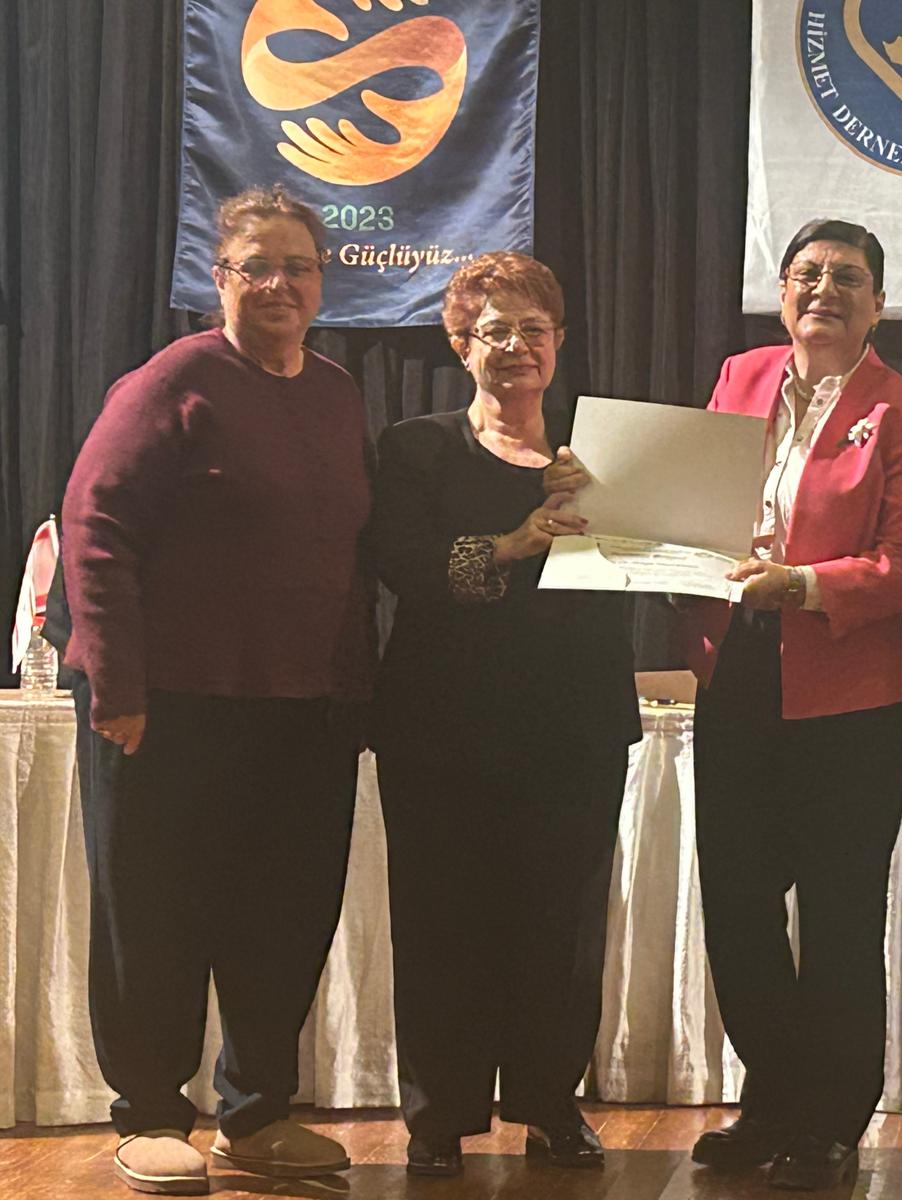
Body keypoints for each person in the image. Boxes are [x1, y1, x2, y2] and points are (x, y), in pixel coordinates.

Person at [60, 184, 372, 1195]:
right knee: (157, 913)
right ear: (220, 278)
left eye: (298, 267)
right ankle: (151, 1112)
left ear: (322, 283)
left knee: (281, 920)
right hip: (167, 707)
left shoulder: (336, 392)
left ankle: (256, 1113)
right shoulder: (173, 381)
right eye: (257, 266)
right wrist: (117, 684)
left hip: (302, 712)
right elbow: (95, 531)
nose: (280, 284)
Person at [679, 219, 902, 1190]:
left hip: (852, 692)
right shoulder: (739, 377)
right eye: (806, 274)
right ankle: (773, 1099)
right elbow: (693, 506)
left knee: (837, 914)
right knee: (737, 905)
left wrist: (798, 585)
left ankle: (830, 1118)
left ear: (878, 303)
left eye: (846, 277)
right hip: (736, 671)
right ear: (781, 290)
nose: (823, 290)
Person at [368, 252, 639, 1177]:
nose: (517, 346)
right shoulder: (416, 448)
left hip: (576, 727)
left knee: (562, 930)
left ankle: (549, 1104)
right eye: (494, 331)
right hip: (440, 732)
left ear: (559, 342)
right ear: (460, 346)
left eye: (534, 329)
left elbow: (656, 559)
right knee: (442, 924)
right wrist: (517, 540)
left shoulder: (603, 458)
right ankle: (439, 1116)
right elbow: (406, 567)